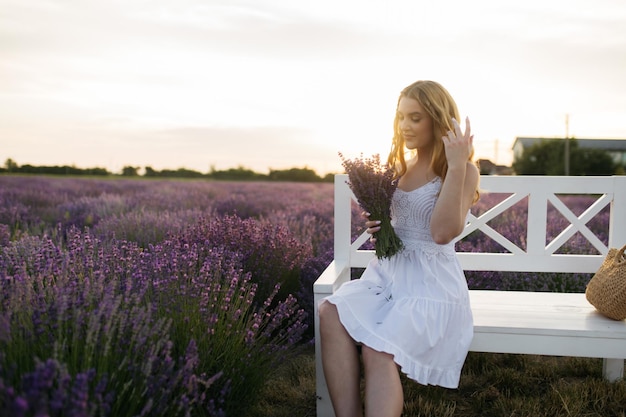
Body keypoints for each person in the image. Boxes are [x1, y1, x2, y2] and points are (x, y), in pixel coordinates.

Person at [318, 80, 480, 417]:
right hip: (389, 278)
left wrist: (458, 163)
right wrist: (378, 224)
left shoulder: (462, 171)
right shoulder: (398, 169)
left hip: (430, 287)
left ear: (438, 120)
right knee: (329, 312)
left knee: (378, 349)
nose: (405, 126)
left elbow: (441, 233)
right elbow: (399, 224)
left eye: (416, 118)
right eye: (401, 117)